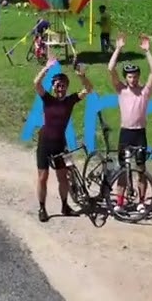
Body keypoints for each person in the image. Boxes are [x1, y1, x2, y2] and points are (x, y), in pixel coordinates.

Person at [32, 56, 94, 222]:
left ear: (67, 87)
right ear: (53, 87)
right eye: (58, 85)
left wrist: (81, 75)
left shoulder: (69, 101)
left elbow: (89, 89)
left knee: (63, 177)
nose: (60, 88)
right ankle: (42, 208)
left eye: (63, 86)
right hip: (45, 143)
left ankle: (65, 205)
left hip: (60, 144)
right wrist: (46, 68)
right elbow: (36, 83)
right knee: (43, 177)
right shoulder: (48, 99)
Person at [106, 33, 152, 214]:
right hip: (125, 133)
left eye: (135, 76)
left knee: (141, 169)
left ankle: (141, 202)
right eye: (129, 76)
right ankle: (119, 202)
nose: (132, 79)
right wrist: (118, 48)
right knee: (123, 169)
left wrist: (147, 52)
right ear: (126, 78)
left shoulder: (145, 91)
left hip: (140, 133)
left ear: (138, 77)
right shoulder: (121, 90)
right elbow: (110, 68)